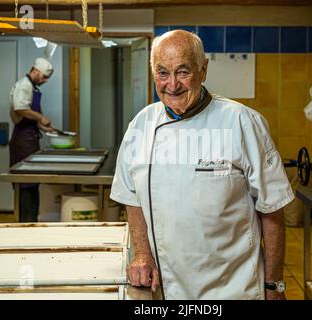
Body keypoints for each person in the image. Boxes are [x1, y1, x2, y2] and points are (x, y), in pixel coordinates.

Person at [110, 30, 294, 300]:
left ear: (203, 70)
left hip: (232, 288)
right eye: (162, 73)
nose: (172, 85)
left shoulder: (242, 122)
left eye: (183, 72)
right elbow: (132, 197)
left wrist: (274, 285)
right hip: (164, 287)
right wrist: (142, 254)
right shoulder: (141, 124)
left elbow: (272, 208)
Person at [9, 57, 55, 222]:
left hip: (30, 138)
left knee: (32, 182)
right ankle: (25, 223)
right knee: (26, 183)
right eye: (43, 77)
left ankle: (31, 221)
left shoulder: (33, 88)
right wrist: (40, 117)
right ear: (35, 71)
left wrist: (43, 126)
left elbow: (30, 115)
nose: (44, 81)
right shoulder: (24, 85)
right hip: (22, 141)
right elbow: (20, 108)